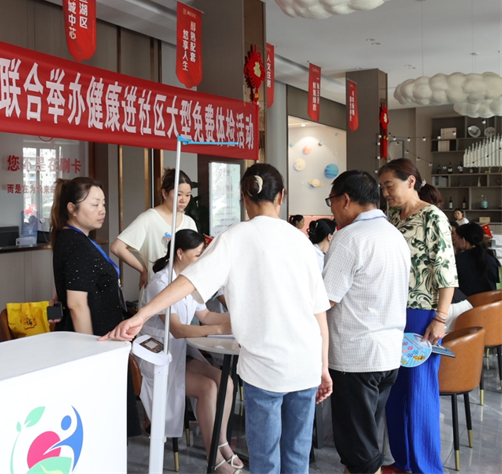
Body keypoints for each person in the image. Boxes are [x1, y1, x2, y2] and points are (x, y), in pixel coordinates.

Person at [103, 163, 332, 474]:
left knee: (266, 461)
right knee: (296, 457)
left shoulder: (235, 237)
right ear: (282, 196)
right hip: (305, 364)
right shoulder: (301, 241)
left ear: (244, 198)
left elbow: (188, 281)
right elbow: (319, 314)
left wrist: (141, 315)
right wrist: (323, 367)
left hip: (264, 369)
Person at [323, 170, 411, 474]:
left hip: (355, 358)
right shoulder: (394, 235)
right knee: (363, 445)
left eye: (331, 202)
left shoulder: (350, 237)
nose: (332, 210)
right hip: (387, 355)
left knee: (360, 453)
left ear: (345, 200)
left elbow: (326, 298)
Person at [136, 230, 242, 474]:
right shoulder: (160, 284)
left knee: (225, 382)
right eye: (197, 255)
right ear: (180, 253)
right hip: (158, 356)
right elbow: (178, 330)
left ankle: (222, 442)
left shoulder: (191, 281)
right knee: (208, 388)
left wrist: (238, 318)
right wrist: (220, 328)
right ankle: (214, 459)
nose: (200, 260)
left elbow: (206, 315)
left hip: (180, 353)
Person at [378, 158, 458, 474]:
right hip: (392, 313)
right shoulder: (392, 218)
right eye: (383, 187)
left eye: (390, 185)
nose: (386, 193)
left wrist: (440, 319)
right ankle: (403, 462)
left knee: (420, 394)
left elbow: (446, 273)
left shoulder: (432, 217)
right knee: (395, 392)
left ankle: (427, 468)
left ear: (410, 181)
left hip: (421, 315)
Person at [50, 177, 140, 437]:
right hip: (94, 339)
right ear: (72, 208)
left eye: (103, 204)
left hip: (101, 335)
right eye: (94, 204)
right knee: (102, 419)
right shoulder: (76, 243)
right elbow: (77, 304)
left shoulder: (75, 239)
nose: (102, 210)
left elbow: (68, 287)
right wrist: (90, 354)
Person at [110, 169, 197, 297]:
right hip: (156, 290)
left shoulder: (189, 222)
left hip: (182, 290)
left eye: (188, 195)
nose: (184, 200)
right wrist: (143, 269)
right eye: (179, 194)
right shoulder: (149, 218)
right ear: (165, 193)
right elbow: (117, 247)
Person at [454, 222, 500, 298]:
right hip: (490, 302)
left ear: (464, 240)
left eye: (458, 238)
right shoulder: (491, 258)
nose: (456, 241)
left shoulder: (458, 260)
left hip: (467, 303)